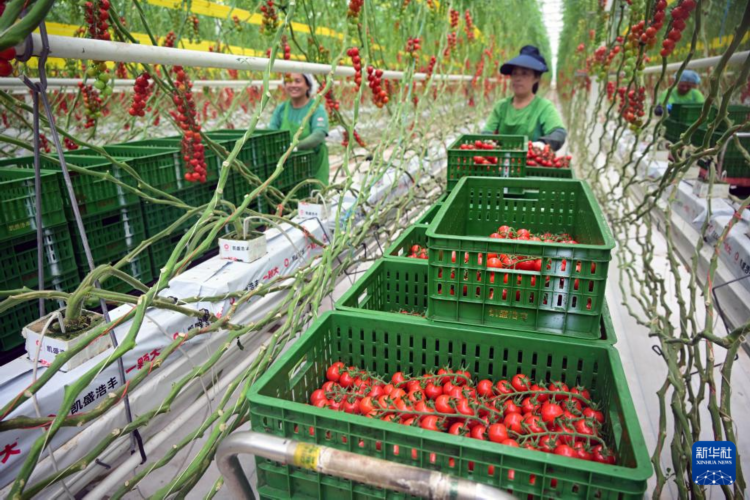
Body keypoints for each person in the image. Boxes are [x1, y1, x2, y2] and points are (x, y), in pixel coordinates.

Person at [482, 45, 567, 151]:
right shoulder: (501, 107)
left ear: (536, 78)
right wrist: (488, 142)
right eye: (514, 73)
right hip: (500, 160)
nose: (518, 78)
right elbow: (487, 132)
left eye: (525, 74)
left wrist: (541, 144)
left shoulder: (543, 107)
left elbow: (559, 133)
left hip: (530, 160)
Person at [269, 73, 330, 185]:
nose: (293, 85)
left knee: (315, 193)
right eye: (289, 81)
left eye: (297, 81)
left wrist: (294, 148)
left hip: (314, 166)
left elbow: (319, 134)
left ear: (308, 85)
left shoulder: (316, 108)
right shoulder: (281, 109)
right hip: (288, 167)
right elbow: (271, 132)